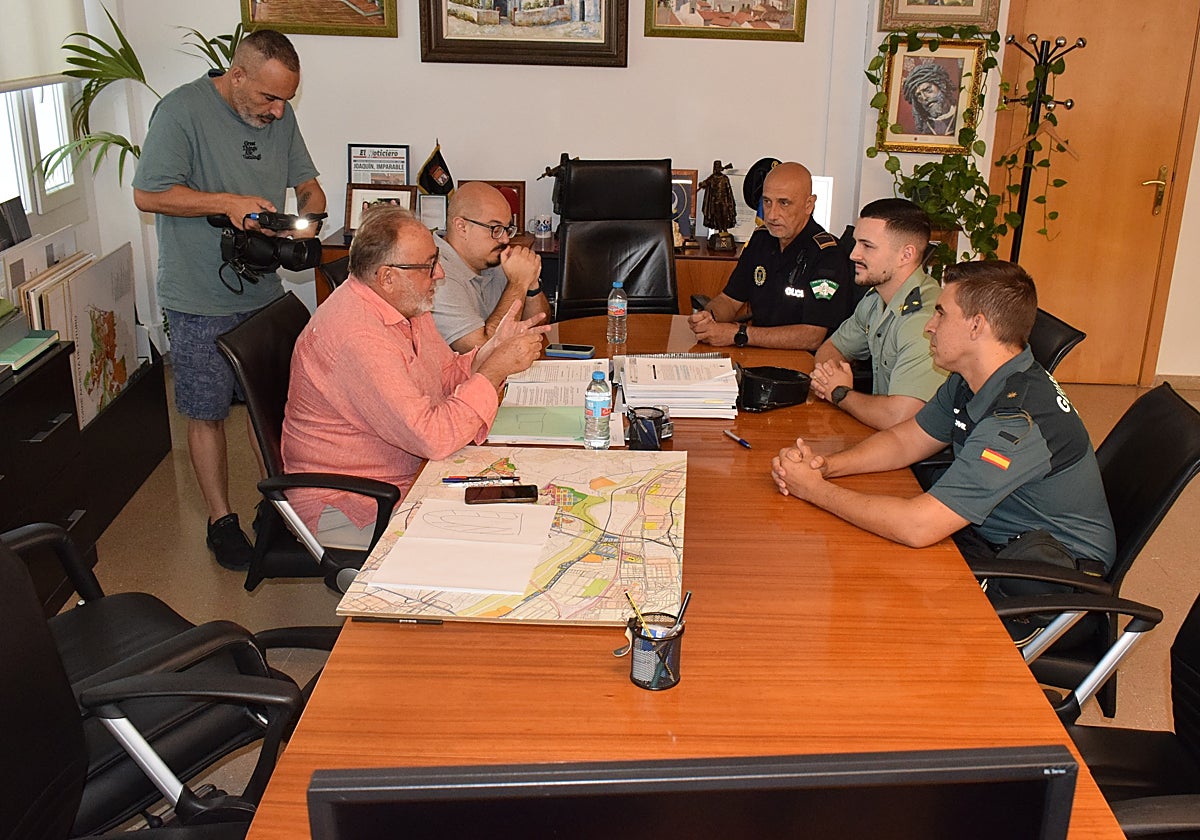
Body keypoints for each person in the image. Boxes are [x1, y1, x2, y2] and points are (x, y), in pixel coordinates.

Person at [772, 261, 1114, 641]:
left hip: (1046, 586)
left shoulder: (1017, 420)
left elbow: (918, 526)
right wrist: (827, 467)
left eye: (940, 312)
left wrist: (814, 491)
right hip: (994, 540)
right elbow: (907, 440)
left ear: (976, 325)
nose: (929, 326)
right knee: (857, 563)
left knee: (869, 611)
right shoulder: (974, 378)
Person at [132, 29, 326, 570]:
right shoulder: (180, 112)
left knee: (270, 405)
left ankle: (276, 504)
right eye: (268, 97)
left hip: (263, 289)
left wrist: (307, 213)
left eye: (286, 98)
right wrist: (226, 203)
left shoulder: (280, 116)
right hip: (198, 296)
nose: (278, 109)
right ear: (237, 75)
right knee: (206, 410)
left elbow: (309, 183)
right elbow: (148, 192)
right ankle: (221, 520)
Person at [282, 207, 548, 549]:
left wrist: (490, 351)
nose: (439, 274)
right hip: (355, 501)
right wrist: (495, 369)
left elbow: (446, 374)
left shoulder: (405, 302)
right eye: (427, 266)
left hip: (409, 470)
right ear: (387, 277)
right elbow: (433, 438)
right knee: (500, 538)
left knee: (528, 501)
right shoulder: (358, 336)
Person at [810, 198, 947, 430]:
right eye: (856, 243)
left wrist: (840, 392)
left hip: (916, 455)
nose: (853, 254)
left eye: (867, 246)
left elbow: (898, 418)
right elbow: (832, 348)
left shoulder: (923, 320)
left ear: (906, 255)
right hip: (879, 432)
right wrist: (829, 376)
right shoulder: (876, 299)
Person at [687, 162, 852, 350]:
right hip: (757, 352)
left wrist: (739, 334)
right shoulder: (761, 239)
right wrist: (708, 317)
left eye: (784, 203)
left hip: (803, 363)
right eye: (767, 202)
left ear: (809, 205)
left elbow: (812, 336)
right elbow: (730, 300)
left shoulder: (827, 254)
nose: (772, 215)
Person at [432, 181, 550, 352]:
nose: (504, 239)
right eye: (495, 228)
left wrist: (531, 285)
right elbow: (482, 350)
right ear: (462, 227)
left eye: (507, 229)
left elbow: (536, 327)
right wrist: (518, 283)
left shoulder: (490, 257)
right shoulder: (435, 272)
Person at [902, 62, 958, 136]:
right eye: (919, 95)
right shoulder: (924, 129)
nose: (924, 98)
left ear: (942, 85)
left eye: (928, 90)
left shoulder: (962, 115)